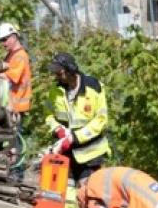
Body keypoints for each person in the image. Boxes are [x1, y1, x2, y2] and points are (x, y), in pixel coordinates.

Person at [44, 53, 111, 184]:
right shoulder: (55, 90)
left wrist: (74, 137)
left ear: (70, 71)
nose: (56, 76)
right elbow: (48, 115)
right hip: (65, 152)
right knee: (64, 193)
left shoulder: (93, 87)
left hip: (90, 154)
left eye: (59, 73)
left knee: (88, 192)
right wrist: (58, 129)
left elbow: (101, 120)